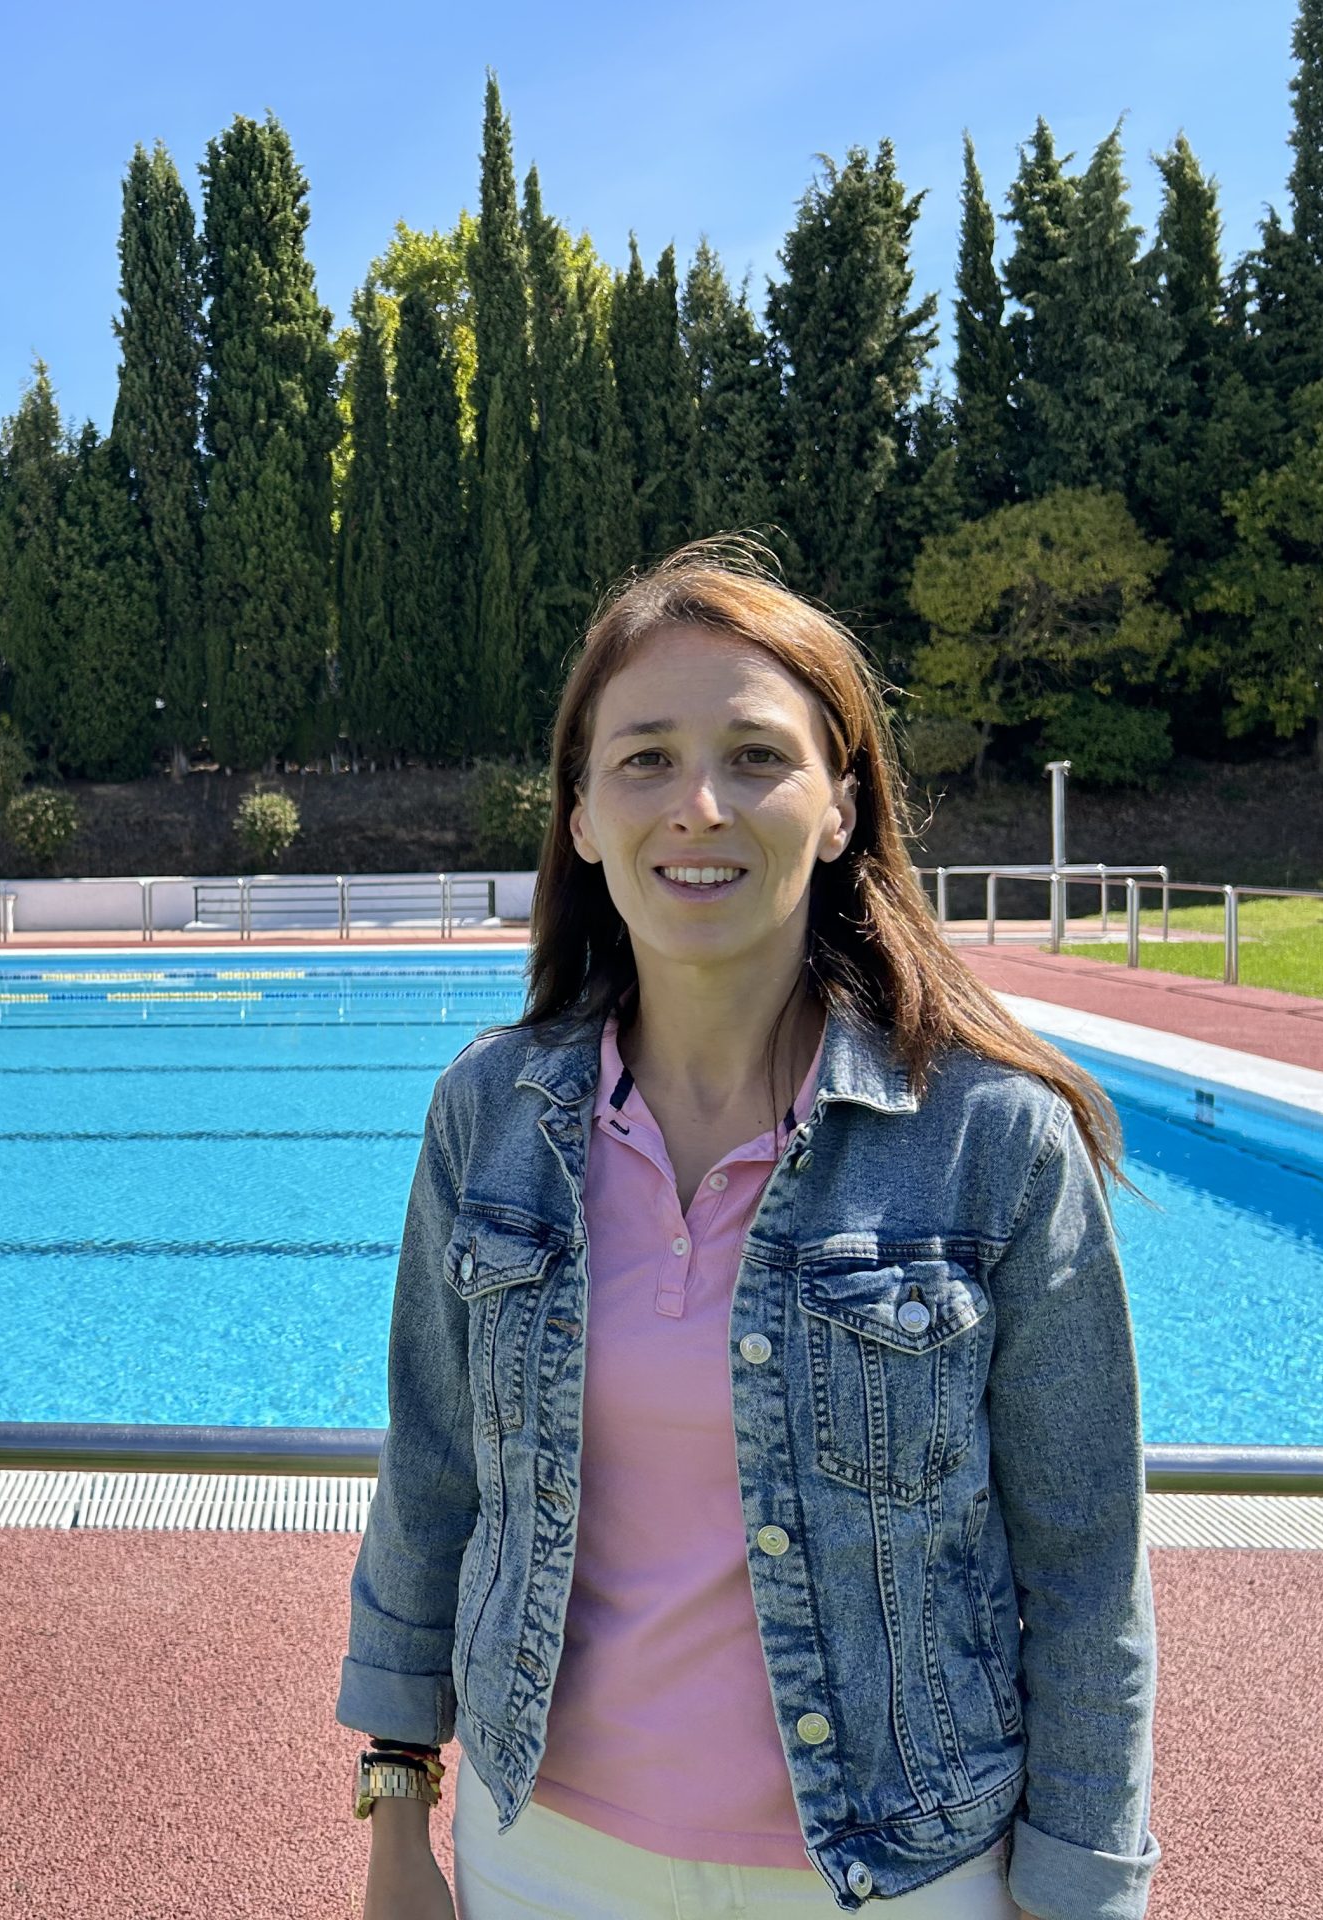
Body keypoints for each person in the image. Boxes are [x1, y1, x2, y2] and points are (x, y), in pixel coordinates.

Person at [338, 540, 1157, 1920]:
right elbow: (433, 1476)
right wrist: (397, 1804)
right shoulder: (488, 1117)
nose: (698, 806)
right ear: (583, 816)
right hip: (539, 1855)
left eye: (757, 757)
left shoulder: (991, 1141)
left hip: (898, 1875)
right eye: (646, 759)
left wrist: (1085, 1895)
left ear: (840, 805)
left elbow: (1083, 1567)